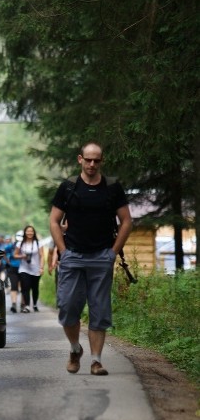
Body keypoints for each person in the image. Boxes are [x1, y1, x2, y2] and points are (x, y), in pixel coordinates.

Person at [49, 141, 132, 376]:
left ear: (101, 161)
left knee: (99, 309)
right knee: (67, 308)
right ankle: (75, 349)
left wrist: (113, 252)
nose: (92, 164)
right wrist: (63, 250)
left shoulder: (113, 188)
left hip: (101, 256)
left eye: (96, 160)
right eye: (88, 159)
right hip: (73, 256)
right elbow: (54, 220)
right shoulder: (68, 188)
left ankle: (96, 361)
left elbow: (126, 221)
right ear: (80, 159)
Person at [13, 225, 45, 313]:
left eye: (31, 231)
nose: (29, 233)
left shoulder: (38, 243)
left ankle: (34, 304)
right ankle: (26, 306)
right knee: (25, 287)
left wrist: (42, 267)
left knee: (35, 287)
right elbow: (15, 255)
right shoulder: (20, 243)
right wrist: (22, 256)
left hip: (36, 268)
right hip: (24, 268)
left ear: (34, 233)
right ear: (25, 233)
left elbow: (42, 256)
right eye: (28, 231)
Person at [4, 232, 23, 313]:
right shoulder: (11, 246)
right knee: (14, 286)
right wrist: (8, 261)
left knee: (24, 287)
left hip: (24, 269)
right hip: (13, 268)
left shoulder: (27, 245)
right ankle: (14, 304)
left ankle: (23, 304)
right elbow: (3, 252)